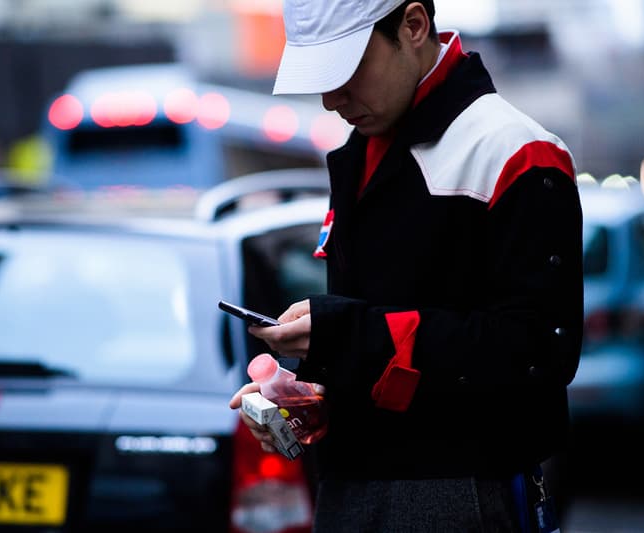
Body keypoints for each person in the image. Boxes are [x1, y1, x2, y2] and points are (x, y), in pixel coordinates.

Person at [229, 0, 583, 531]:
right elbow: (382, 333)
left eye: (345, 69)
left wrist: (346, 337)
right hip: (349, 488)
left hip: (460, 491)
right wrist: (311, 397)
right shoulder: (363, 146)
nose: (330, 99)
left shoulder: (515, 151)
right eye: (319, 77)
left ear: (414, 26)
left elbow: (537, 353)